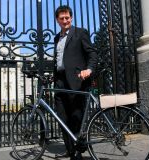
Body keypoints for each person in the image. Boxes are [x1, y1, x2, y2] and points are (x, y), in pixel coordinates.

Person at [53, 5, 97, 160]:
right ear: (57, 20)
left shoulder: (80, 33)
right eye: (61, 18)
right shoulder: (56, 38)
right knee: (62, 118)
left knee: (76, 117)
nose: (65, 20)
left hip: (77, 80)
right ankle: (70, 150)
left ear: (71, 18)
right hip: (59, 81)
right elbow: (58, 59)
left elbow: (92, 53)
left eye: (67, 17)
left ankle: (78, 152)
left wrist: (89, 69)